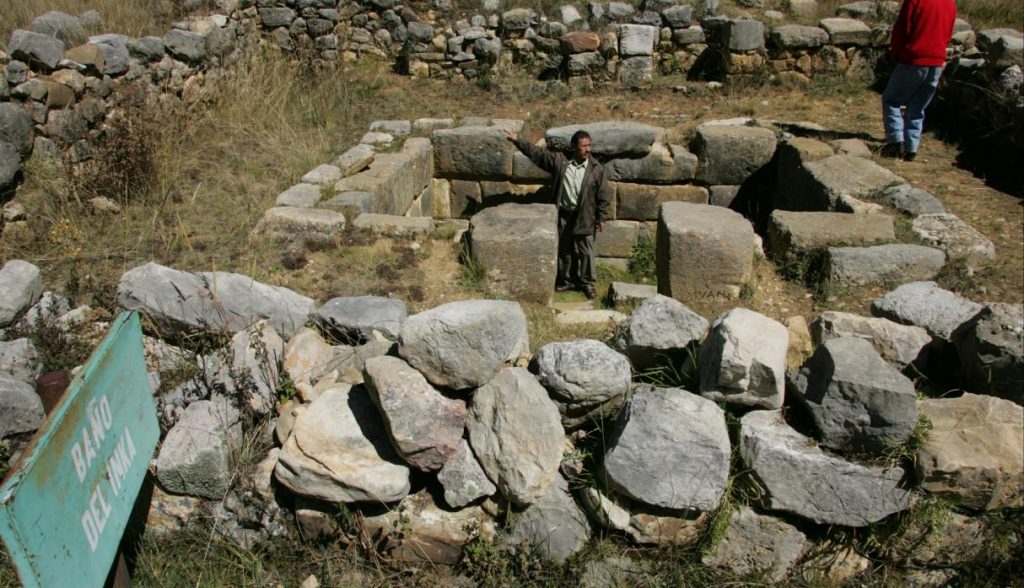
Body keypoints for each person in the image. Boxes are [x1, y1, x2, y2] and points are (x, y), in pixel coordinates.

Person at [505, 128, 612, 300]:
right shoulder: (560, 162)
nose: (588, 149)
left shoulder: (596, 169)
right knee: (565, 251)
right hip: (563, 214)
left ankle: (587, 284)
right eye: (584, 146)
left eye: (589, 145)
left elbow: (603, 195)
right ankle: (566, 280)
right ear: (574, 147)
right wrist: (518, 141)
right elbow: (537, 154)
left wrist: (602, 217)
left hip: (585, 216)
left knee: (586, 252)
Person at [880, 0, 957, 161]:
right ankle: (911, 147)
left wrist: (898, 53)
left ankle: (895, 142)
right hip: (936, 61)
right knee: (918, 106)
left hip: (914, 58)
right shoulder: (949, 2)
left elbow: (903, 29)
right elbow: (948, 33)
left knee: (891, 100)